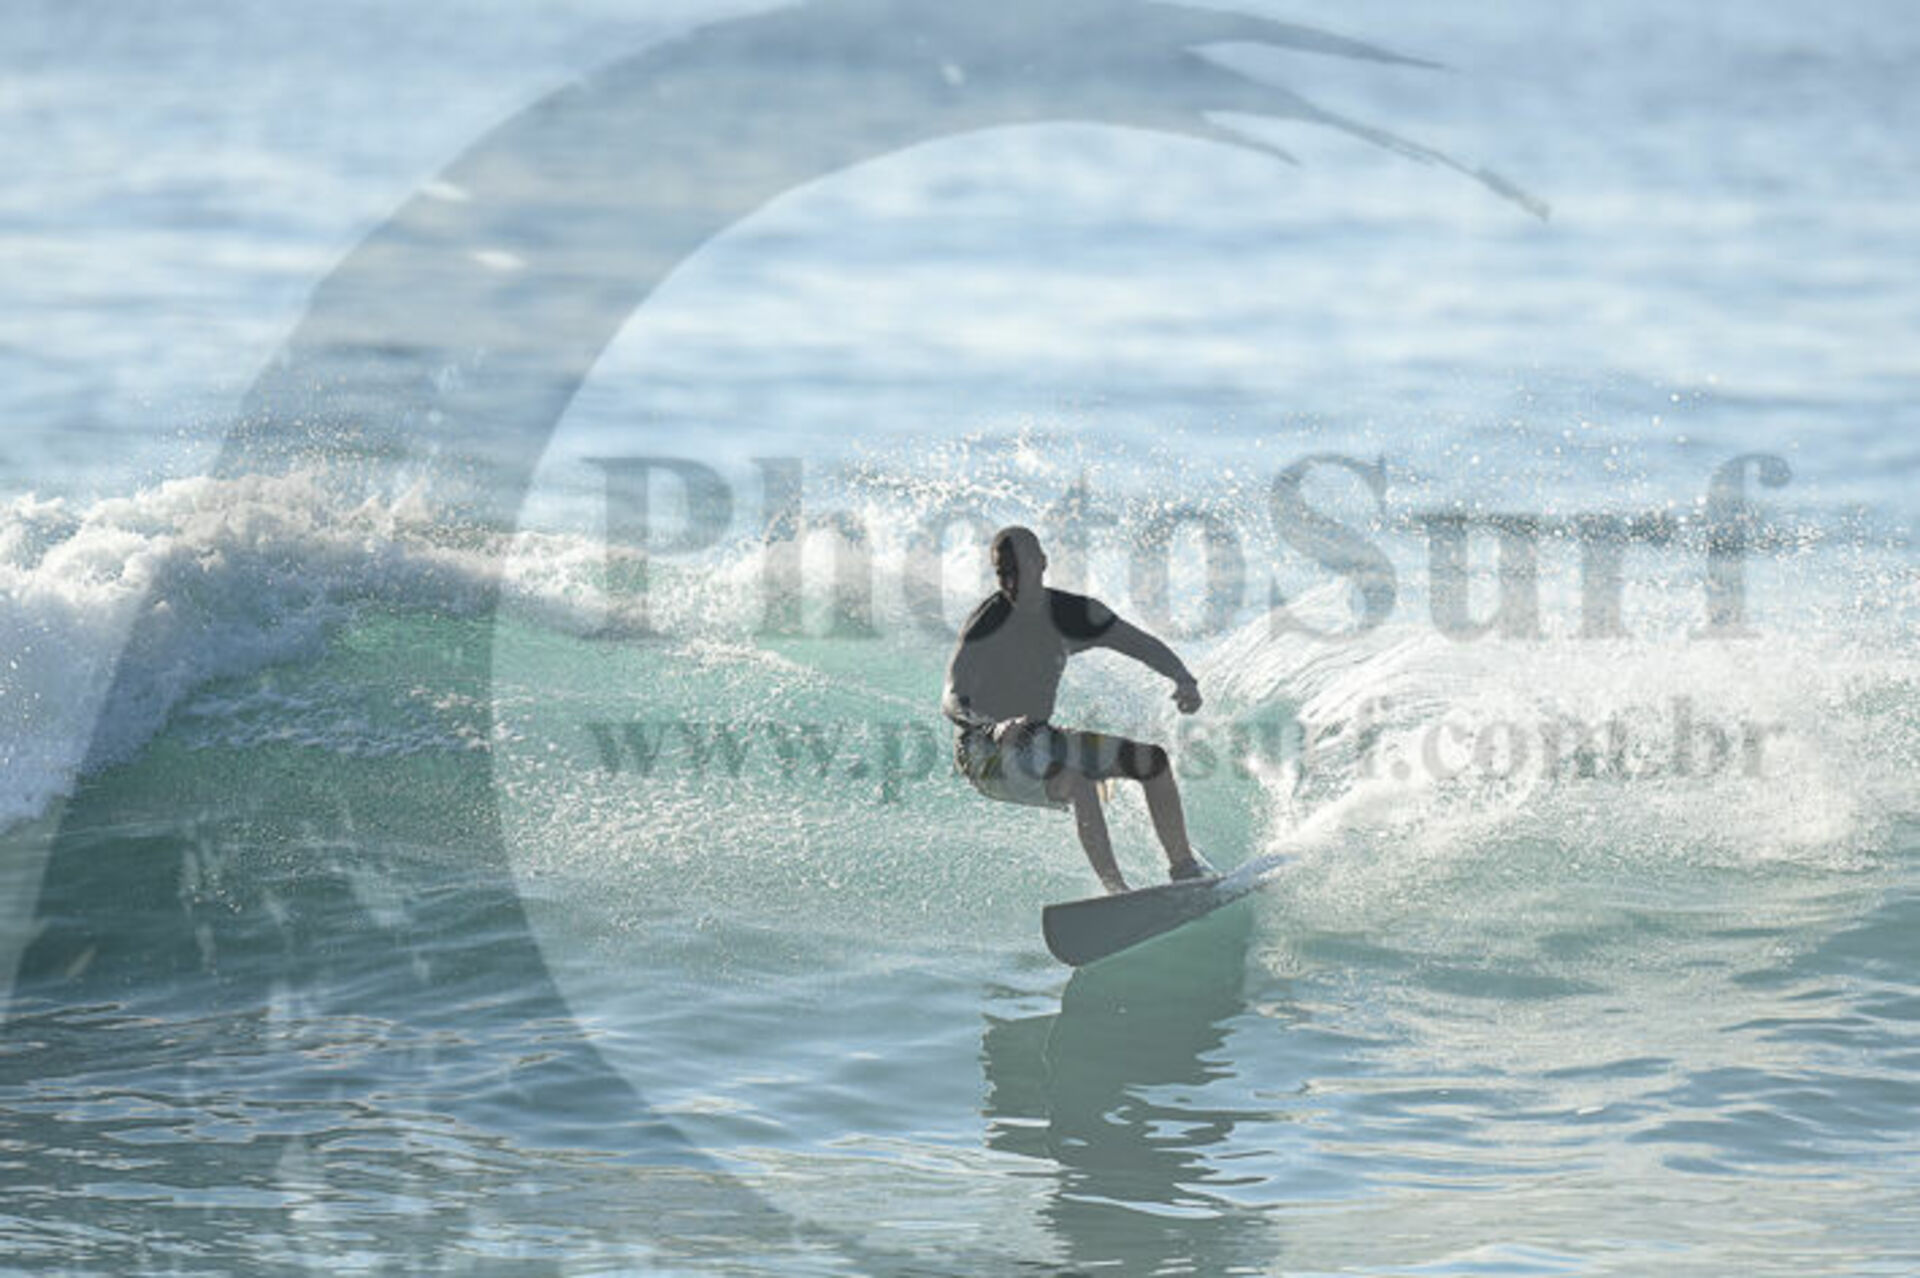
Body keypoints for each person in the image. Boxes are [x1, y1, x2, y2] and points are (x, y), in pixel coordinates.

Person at [941, 525, 1215, 894]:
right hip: (984, 750)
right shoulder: (987, 622)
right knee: (1078, 784)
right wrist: (993, 728)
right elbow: (952, 698)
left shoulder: (1072, 614)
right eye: (1003, 573)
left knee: (1152, 761)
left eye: (1019, 570)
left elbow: (1140, 644)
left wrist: (1183, 679)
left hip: (1039, 738)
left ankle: (1185, 872)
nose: (1012, 583)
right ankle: (1117, 893)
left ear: (1042, 563)